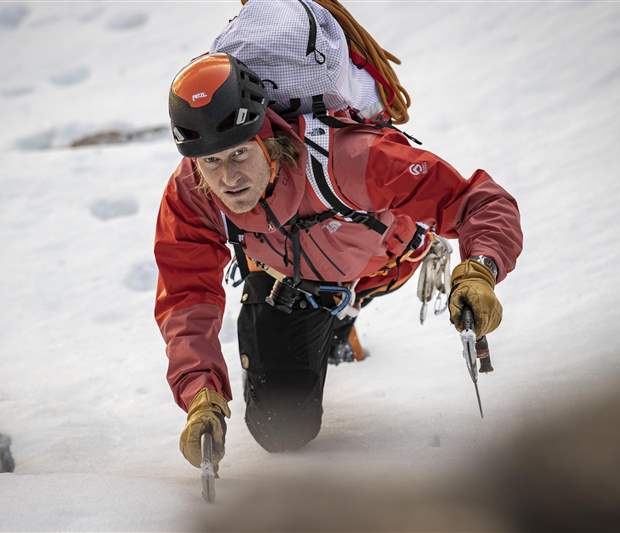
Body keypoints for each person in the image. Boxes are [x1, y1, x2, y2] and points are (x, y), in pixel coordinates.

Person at [154, 53, 523, 473]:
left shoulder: (349, 158)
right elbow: (186, 296)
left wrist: (480, 269)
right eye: (211, 162)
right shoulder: (192, 195)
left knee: (352, 260)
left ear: (266, 140)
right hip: (288, 276)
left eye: (239, 154)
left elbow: (477, 201)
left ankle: (344, 311)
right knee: (281, 430)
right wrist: (201, 393)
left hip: (382, 259)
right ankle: (329, 315)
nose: (228, 179)